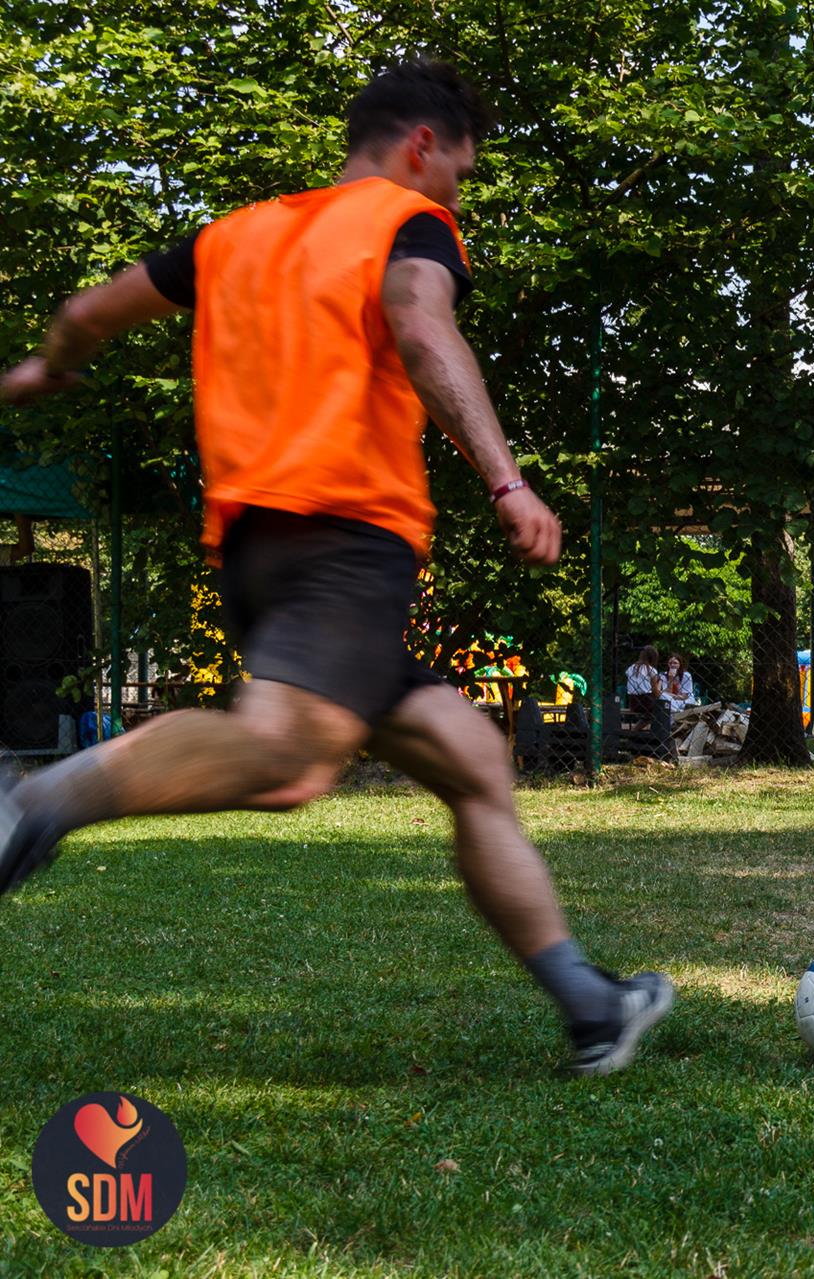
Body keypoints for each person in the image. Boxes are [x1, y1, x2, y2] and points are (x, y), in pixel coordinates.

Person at [0, 62, 673, 1075]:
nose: (457, 198)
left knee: (472, 760)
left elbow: (90, 311)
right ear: (421, 146)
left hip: (257, 550)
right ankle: (33, 804)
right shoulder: (409, 222)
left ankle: (591, 1006)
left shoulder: (234, 236)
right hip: (345, 533)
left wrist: (52, 366)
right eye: (460, 174)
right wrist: (506, 481)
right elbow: (421, 326)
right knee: (292, 757)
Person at [624, 645, 663, 712]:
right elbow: (655, 691)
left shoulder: (631, 668)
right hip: (647, 703)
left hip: (633, 703)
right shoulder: (651, 670)